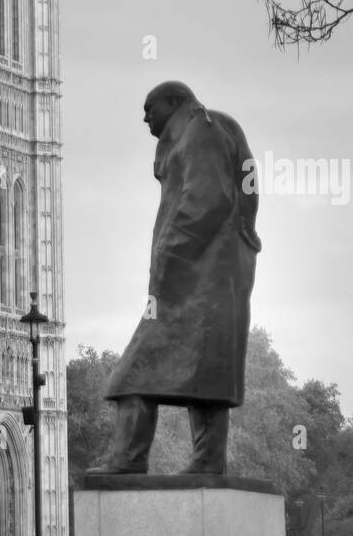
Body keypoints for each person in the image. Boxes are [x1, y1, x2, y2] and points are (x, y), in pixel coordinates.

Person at [93, 81, 261, 476]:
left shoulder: (199, 131)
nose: (145, 117)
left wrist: (170, 256)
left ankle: (129, 458)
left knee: (133, 372)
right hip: (215, 279)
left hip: (195, 280)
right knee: (208, 375)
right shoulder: (214, 127)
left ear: (174, 102)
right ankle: (208, 461)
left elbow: (208, 200)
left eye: (150, 107)